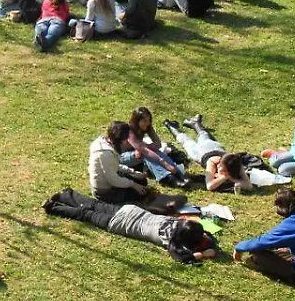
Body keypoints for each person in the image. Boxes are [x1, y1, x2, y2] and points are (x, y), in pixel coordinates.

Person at [43, 189, 216, 263]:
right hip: (121, 223)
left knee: (94, 205)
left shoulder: (178, 223)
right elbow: (183, 258)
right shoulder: (172, 242)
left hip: (131, 211)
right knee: (86, 214)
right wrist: (204, 254)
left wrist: (205, 237)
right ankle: (53, 207)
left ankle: (67, 195)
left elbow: (199, 232)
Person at [164, 115, 253, 193]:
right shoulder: (213, 162)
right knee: (186, 141)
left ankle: (195, 123)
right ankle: (170, 126)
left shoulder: (235, 163)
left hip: (215, 146)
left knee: (204, 136)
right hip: (201, 152)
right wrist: (225, 177)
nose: (219, 167)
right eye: (220, 165)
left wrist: (228, 177)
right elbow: (209, 186)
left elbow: (249, 186)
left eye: (222, 168)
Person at [121, 107, 186, 186]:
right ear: (136, 121)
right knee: (145, 154)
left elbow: (158, 144)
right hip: (123, 157)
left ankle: (178, 174)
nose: (147, 123)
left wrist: (147, 147)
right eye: (144, 121)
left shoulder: (147, 127)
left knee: (151, 152)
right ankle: (165, 177)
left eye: (149, 120)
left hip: (139, 153)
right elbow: (145, 151)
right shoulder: (129, 131)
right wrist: (165, 164)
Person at [88, 121, 149, 203]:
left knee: (142, 181)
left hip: (113, 179)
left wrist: (131, 171)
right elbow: (113, 180)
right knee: (141, 193)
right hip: (105, 191)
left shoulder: (107, 144)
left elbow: (115, 166)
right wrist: (133, 184)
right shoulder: (105, 154)